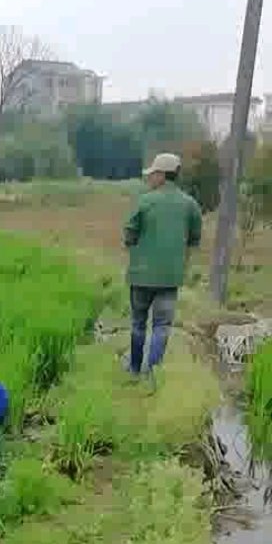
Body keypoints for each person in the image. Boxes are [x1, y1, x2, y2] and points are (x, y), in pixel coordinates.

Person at [123, 151, 202, 378]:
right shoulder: (190, 205)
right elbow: (195, 239)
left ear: (162, 175)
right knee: (162, 326)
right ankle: (153, 373)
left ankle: (135, 369)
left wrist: (134, 246)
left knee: (138, 323)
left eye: (153, 174)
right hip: (170, 277)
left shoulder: (145, 201)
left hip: (140, 276)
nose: (150, 178)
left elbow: (129, 232)